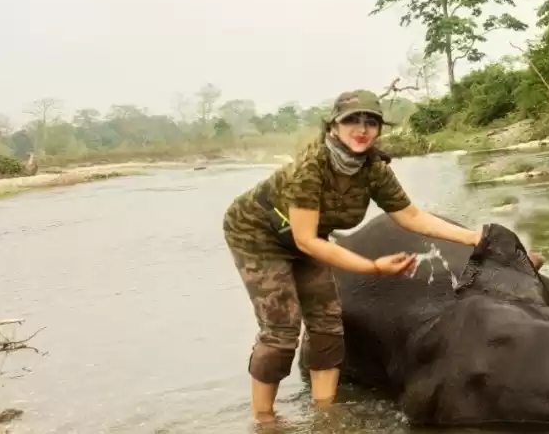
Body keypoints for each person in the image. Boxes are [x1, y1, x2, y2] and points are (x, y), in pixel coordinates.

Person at [222, 89, 527, 424]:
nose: (362, 128)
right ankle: (264, 420)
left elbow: (410, 217)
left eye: (371, 122)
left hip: (309, 237)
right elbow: (306, 241)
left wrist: (472, 237)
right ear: (333, 128)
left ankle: (326, 414)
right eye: (352, 120)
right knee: (282, 328)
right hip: (258, 234)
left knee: (327, 322)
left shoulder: (373, 170)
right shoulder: (310, 169)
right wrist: (372, 268)